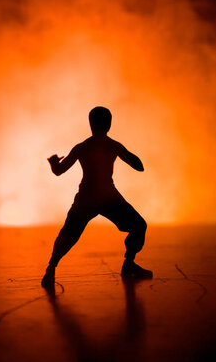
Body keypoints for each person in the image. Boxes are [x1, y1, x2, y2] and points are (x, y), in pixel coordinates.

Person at [42, 106, 152, 289]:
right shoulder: (113, 145)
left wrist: (54, 163)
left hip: (88, 196)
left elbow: (59, 171)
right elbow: (139, 166)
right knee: (138, 225)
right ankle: (129, 262)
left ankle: (50, 268)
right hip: (108, 197)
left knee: (68, 233)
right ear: (109, 124)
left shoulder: (82, 147)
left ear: (90, 124)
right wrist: (131, 156)